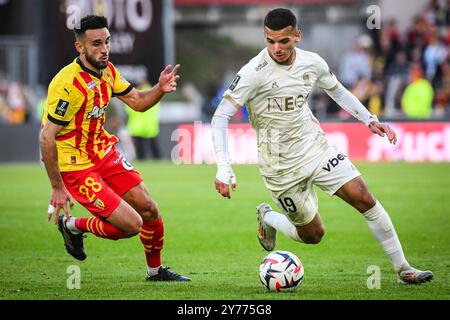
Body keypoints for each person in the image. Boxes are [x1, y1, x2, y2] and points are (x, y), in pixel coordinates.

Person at [211, 8, 433, 285]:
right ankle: (269, 217)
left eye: (284, 41)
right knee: (313, 235)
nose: (276, 48)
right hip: (280, 167)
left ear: (297, 36)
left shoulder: (312, 62)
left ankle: (404, 269)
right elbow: (220, 116)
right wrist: (223, 167)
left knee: (363, 195)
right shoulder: (253, 73)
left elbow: (336, 89)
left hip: (315, 148)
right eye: (270, 41)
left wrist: (369, 119)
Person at [40, 15, 190, 282]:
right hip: (75, 164)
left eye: (107, 42)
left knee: (149, 209)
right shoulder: (66, 84)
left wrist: (160, 88)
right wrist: (57, 186)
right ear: (80, 48)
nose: (104, 49)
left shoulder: (108, 71)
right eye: (97, 43)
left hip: (103, 152)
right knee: (131, 225)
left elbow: (137, 101)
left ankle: (155, 272)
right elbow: (46, 136)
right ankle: (72, 225)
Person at [126, 80, 162, 160]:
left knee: (143, 153)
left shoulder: (134, 94)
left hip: (139, 127)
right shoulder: (153, 93)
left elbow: (129, 109)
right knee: (154, 152)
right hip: (147, 127)